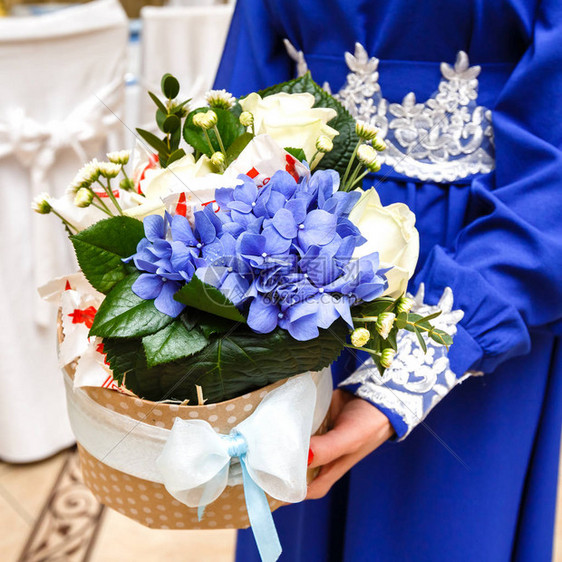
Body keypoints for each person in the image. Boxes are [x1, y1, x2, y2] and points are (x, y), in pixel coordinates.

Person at [214, 1, 562, 560]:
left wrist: (417, 367)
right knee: (293, 518)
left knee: (443, 530)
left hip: (485, 265)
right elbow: (239, 99)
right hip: (294, 257)